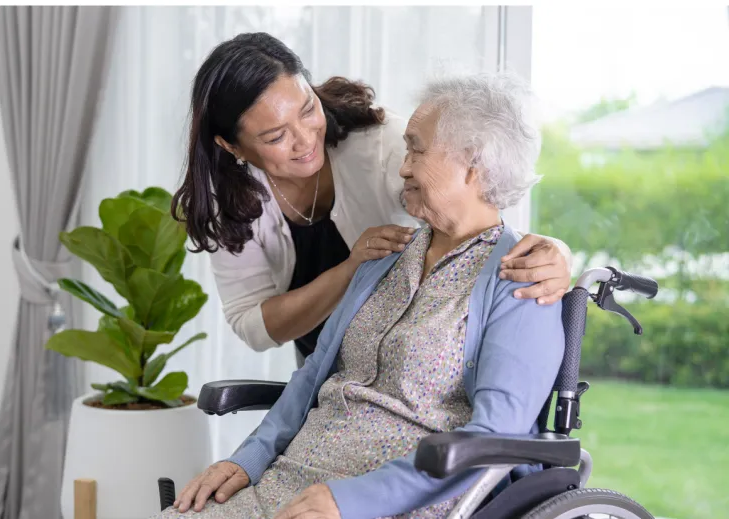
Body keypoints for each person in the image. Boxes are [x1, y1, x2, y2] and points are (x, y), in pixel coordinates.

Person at [155, 72, 566, 519]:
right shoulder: (385, 256)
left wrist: (350, 500)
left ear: (474, 165)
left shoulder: (523, 279)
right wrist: (246, 460)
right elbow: (312, 374)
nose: (403, 167)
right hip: (294, 478)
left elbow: (496, 434)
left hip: (400, 499)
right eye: (406, 150)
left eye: (416, 151)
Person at [171, 32, 572, 363]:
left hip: (408, 364)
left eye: (308, 110)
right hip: (328, 376)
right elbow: (254, 326)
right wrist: (351, 270)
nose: (306, 139)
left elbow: (481, 212)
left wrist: (554, 253)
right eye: (276, 136)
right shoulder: (227, 200)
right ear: (231, 146)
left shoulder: (385, 147)